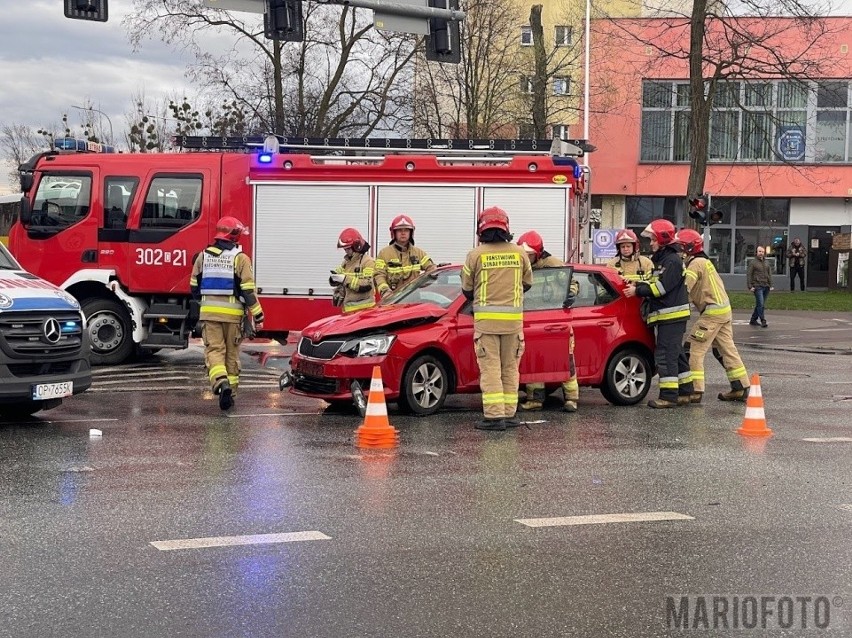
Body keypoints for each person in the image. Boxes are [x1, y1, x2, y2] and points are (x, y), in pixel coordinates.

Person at [461, 207, 533, 430]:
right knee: (510, 368)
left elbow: (466, 288)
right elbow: (528, 283)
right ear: (506, 227)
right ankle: (510, 414)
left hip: (486, 325)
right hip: (513, 325)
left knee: (490, 369)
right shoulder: (519, 253)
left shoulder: (475, 255)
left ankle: (494, 417)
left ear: (481, 229)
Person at [190, 216, 264, 411]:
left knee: (215, 351)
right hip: (233, 318)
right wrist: (258, 315)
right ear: (235, 236)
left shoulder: (202, 256)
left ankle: (221, 382)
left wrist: (206, 301)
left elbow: (193, 287)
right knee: (231, 355)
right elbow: (248, 291)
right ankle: (230, 393)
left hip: (209, 316)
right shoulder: (240, 258)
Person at [623, 219, 694, 408]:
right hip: (669, 316)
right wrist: (635, 283)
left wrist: (637, 291)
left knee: (665, 355)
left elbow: (661, 288)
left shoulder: (672, 261)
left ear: (662, 239)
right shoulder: (664, 260)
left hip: (671, 316)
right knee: (676, 353)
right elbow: (650, 280)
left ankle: (669, 396)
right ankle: (685, 391)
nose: (651, 243)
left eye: (653, 239)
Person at [676, 229, 750, 403]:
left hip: (711, 313)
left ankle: (695, 389)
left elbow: (685, 288)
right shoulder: (704, 261)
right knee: (726, 350)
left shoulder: (695, 264)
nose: (678, 251)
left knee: (693, 348)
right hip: (723, 311)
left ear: (688, 248)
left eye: (680, 247)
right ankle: (740, 386)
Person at [516, 230, 580, 413]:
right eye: (525, 255)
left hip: (555, 320)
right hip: (533, 320)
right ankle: (535, 400)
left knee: (565, 360)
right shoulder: (522, 267)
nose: (527, 259)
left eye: (530, 255)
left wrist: (570, 294)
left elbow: (572, 282)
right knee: (535, 360)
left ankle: (571, 399)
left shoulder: (553, 264)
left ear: (538, 253)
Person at [374, 215, 436, 298]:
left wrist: (433, 273)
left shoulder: (418, 253)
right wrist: (385, 291)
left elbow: (431, 268)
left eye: (406, 230)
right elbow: (379, 275)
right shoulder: (384, 253)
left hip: (414, 297)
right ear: (394, 232)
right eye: (399, 230)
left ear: (411, 232)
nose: (403, 233)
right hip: (392, 299)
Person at [331, 228, 377, 314]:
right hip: (348, 310)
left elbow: (367, 285)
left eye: (348, 249)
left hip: (365, 311)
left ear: (356, 246)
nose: (346, 251)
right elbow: (340, 277)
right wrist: (334, 279)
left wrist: (345, 279)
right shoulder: (346, 262)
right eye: (345, 249)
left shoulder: (368, 261)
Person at [747, 246, 773, 328]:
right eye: (759, 251)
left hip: (766, 286)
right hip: (757, 286)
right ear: (756, 252)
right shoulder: (753, 263)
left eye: (762, 251)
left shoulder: (766, 262)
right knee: (761, 304)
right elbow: (749, 274)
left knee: (760, 304)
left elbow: (769, 274)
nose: (761, 253)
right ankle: (763, 320)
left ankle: (753, 319)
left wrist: (771, 284)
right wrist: (750, 286)